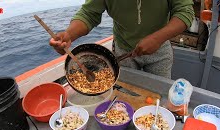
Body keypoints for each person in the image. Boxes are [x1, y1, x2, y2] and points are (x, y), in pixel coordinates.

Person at [49, 0, 195, 79]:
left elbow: (185, 12)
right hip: (123, 51)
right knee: (126, 93)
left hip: (160, 51)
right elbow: (89, 13)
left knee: (159, 96)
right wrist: (69, 34)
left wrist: (158, 38)